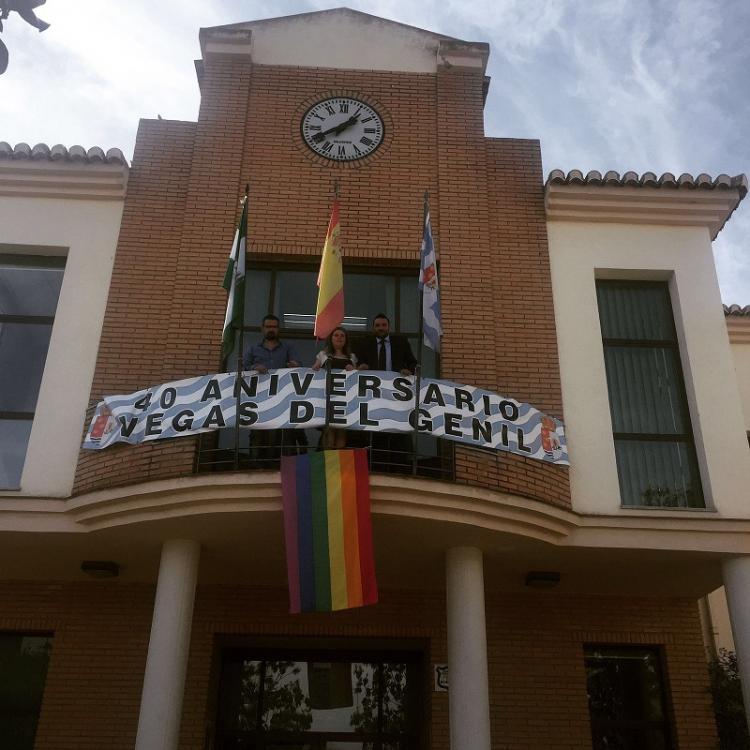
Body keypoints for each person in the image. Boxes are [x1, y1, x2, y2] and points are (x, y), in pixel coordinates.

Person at [354, 313, 417, 470]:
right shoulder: (365, 343)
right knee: (375, 427)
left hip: (395, 394)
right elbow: (357, 362)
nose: (381, 328)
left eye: (383, 325)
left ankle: (399, 463)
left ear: (388, 327)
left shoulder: (400, 342)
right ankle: (376, 463)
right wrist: (361, 366)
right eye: (377, 326)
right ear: (373, 328)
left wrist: (408, 370)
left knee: (396, 427)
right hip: (373, 395)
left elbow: (413, 362)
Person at [243, 314, 303, 466]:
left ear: (278, 329)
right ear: (262, 329)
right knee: (258, 434)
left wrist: (296, 366)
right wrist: (253, 368)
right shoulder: (252, 349)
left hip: (283, 401)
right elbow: (242, 369)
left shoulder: (288, 349)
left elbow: (299, 367)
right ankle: (256, 469)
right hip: (258, 401)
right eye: (268, 326)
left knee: (285, 435)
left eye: (274, 327)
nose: (271, 329)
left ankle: (284, 467)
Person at [312, 326, 358, 449]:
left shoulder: (352, 357)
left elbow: (357, 377)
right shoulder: (323, 355)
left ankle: (338, 465)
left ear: (346, 340)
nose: (339, 338)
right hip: (327, 399)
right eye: (336, 335)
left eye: (342, 335)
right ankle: (328, 464)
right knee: (329, 432)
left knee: (342, 432)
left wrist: (353, 370)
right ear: (331, 338)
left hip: (345, 399)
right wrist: (316, 368)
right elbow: (315, 369)